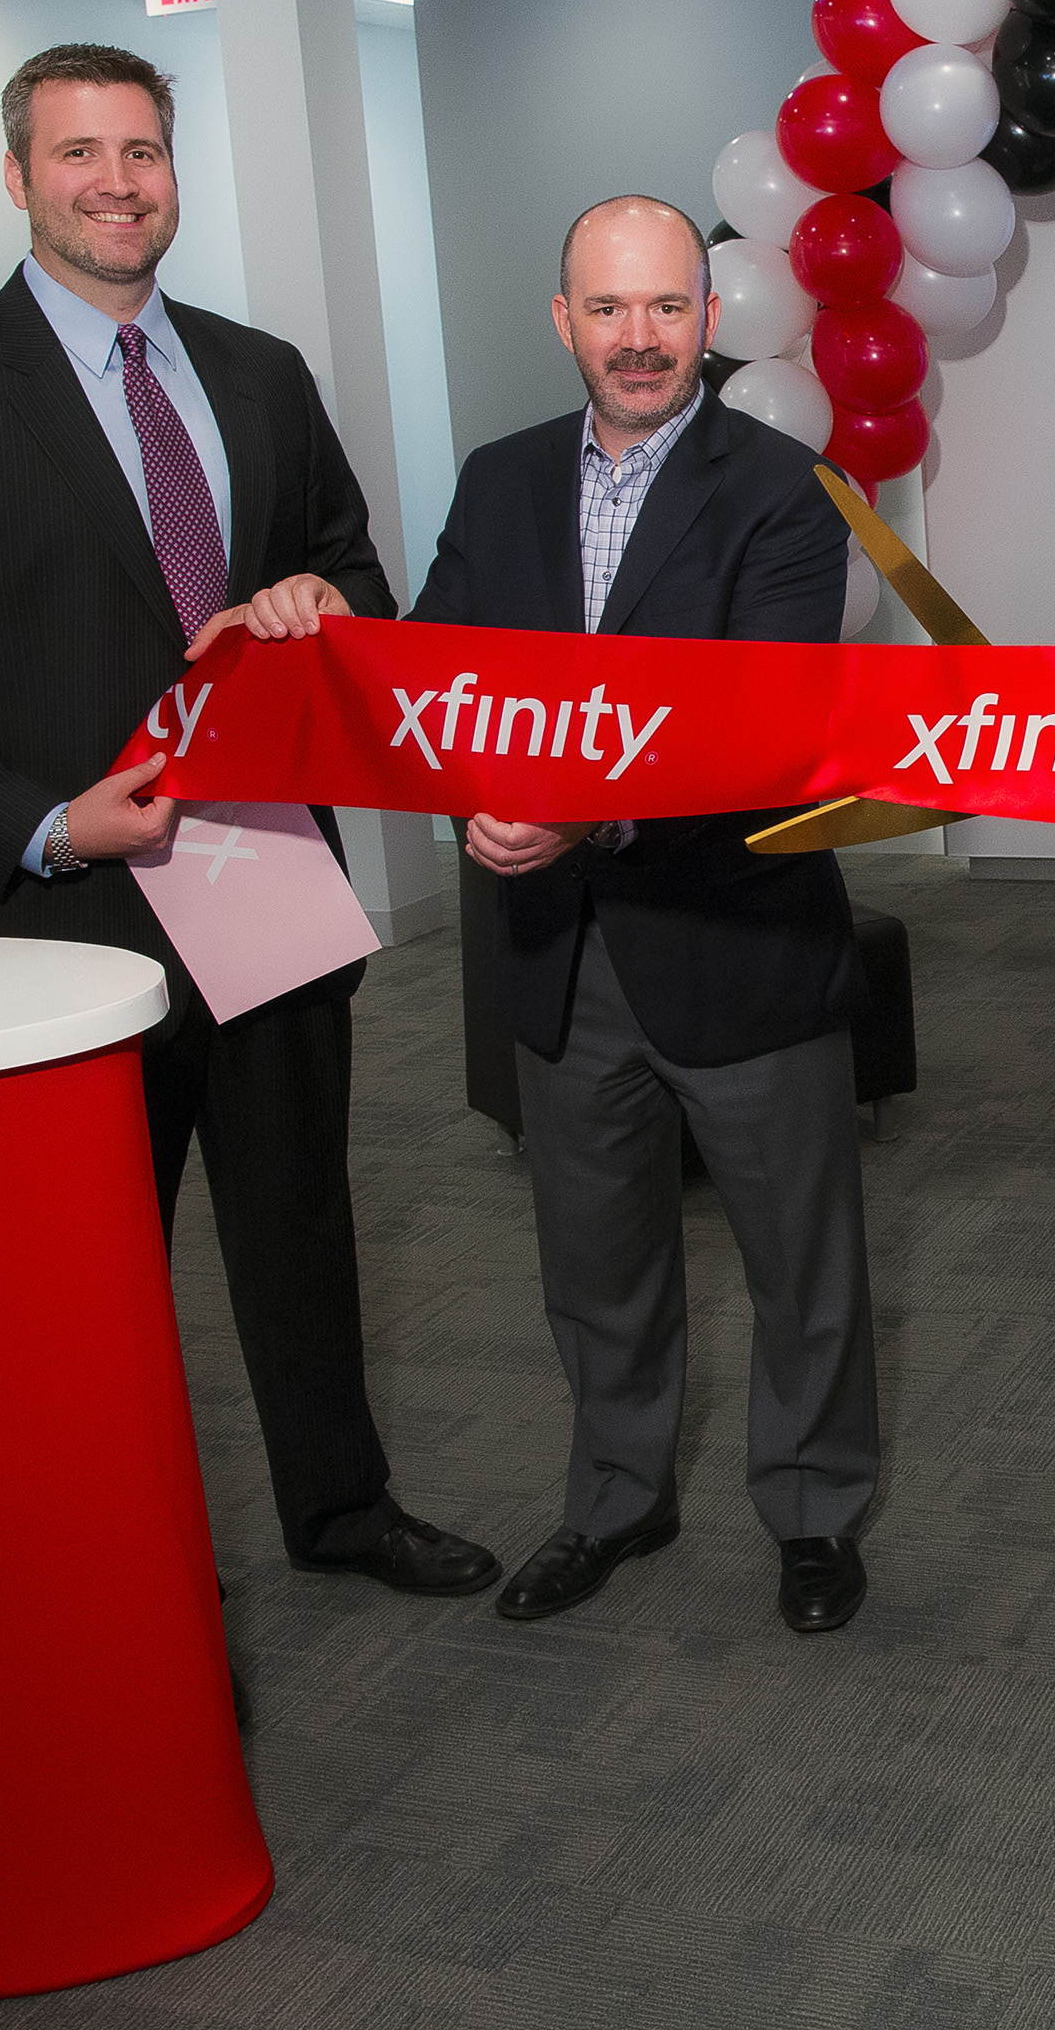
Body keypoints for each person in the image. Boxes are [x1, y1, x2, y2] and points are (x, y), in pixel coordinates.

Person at [0, 42, 496, 1602]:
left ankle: (341, 1511)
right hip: (60, 920)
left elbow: (354, 583)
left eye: (142, 153)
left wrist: (326, 602)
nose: (117, 182)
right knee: (78, 1282)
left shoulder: (258, 372)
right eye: (80, 154)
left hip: (263, 878)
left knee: (298, 1227)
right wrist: (43, 820)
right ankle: (112, 1583)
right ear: (17, 176)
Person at [408, 194, 879, 1637]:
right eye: (607, 310)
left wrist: (578, 812)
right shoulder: (495, 483)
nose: (638, 339)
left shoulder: (788, 487)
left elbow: (758, 731)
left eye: (666, 309)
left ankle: (812, 1513)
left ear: (710, 320)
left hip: (738, 940)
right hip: (558, 956)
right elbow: (437, 674)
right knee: (595, 1262)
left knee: (803, 1262)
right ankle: (618, 1498)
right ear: (563, 323)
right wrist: (471, 799)